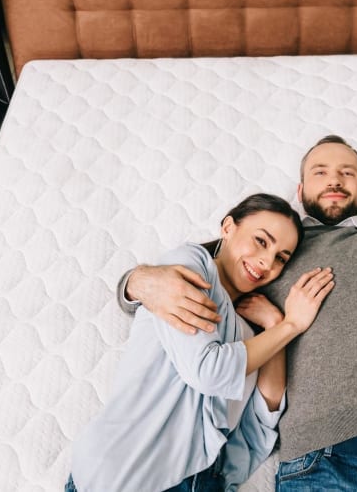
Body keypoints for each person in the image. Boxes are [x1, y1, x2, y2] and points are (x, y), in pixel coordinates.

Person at [118, 135, 357, 491]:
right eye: (321, 173)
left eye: (346, 173)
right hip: (320, 456)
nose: (334, 180)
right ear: (300, 192)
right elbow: (200, 271)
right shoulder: (274, 254)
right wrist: (136, 283)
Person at [70, 194, 335, 492]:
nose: (266, 262)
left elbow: (264, 416)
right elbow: (208, 371)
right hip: (122, 473)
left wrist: (274, 324)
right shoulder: (190, 265)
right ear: (228, 227)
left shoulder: (252, 336)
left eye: (281, 257)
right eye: (261, 241)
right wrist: (291, 325)